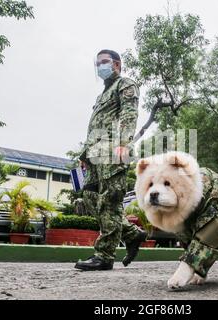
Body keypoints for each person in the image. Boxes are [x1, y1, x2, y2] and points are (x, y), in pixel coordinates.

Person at [74, 49, 147, 271]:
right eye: (97, 64)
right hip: (95, 155)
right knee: (89, 196)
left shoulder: (125, 84)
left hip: (112, 152)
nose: (100, 67)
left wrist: (124, 144)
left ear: (117, 64)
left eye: (104, 62)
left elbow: (128, 114)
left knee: (110, 201)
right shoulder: (102, 94)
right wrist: (85, 155)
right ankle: (132, 234)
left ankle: (104, 255)